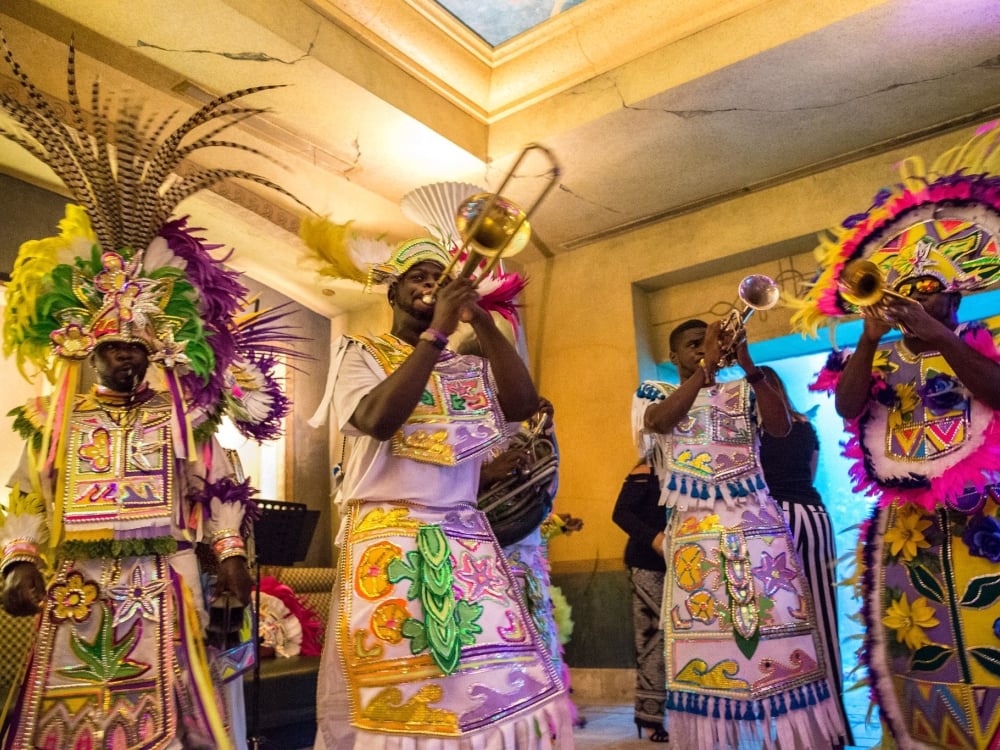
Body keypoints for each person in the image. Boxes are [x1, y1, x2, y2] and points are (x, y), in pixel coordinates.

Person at [0, 36, 303, 750]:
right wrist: (17, 562)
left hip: (163, 580)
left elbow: (220, 486)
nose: (128, 357)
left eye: (139, 346)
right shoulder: (52, 418)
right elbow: (26, 498)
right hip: (74, 586)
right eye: (115, 346)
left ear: (155, 350)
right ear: (89, 347)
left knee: (176, 712)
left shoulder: (184, 418)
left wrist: (229, 556)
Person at [311, 238, 574, 750]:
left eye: (441, 277)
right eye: (419, 276)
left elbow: (522, 404)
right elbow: (376, 419)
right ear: (392, 293)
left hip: (463, 536)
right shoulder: (360, 352)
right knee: (400, 686)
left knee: (481, 687)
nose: (432, 283)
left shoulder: (467, 369)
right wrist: (436, 334)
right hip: (390, 535)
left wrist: (480, 322)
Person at [791, 123, 1000, 749]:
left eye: (928, 292)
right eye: (904, 289)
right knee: (916, 649)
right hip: (904, 531)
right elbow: (849, 409)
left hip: (985, 518)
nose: (912, 300)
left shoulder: (981, 343)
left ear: (955, 298)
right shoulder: (875, 354)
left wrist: (941, 343)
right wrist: (867, 338)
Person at [632, 318, 845, 749]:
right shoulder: (652, 391)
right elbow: (658, 422)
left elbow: (781, 427)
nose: (702, 349)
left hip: (758, 531)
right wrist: (703, 371)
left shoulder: (743, 391)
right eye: (692, 345)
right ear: (673, 357)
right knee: (708, 649)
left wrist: (748, 365)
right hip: (696, 537)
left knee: (778, 642)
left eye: (708, 344)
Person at [756, 366, 852, 746]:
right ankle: (832, 725)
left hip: (770, 524)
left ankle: (790, 726)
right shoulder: (804, 427)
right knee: (823, 620)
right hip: (813, 518)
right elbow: (809, 477)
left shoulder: (753, 433)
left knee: (777, 625)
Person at [611, 459, 669, 743]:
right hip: (648, 565)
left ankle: (683, 713)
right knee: (652, 642)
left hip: (684, 566)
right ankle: (649, 718)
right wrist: (655, 539)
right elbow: (621, 513)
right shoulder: (647, 468)